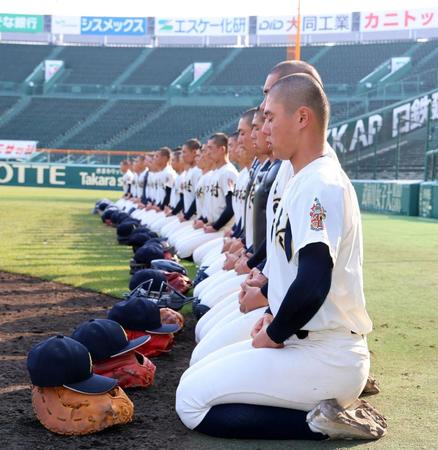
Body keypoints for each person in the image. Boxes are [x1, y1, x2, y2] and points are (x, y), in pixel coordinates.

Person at [176, 73, 374, 440]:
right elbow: (292, 268)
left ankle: (326, 424)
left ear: (301, 118)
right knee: (196, 372)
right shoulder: (301, 176)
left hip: (326, 353)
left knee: (190, 401)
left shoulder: (319, 181)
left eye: (270, 116)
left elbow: (315, 278)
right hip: (307, 341)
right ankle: (318, 408)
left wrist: (276, 330)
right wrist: (271, 314)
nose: (262, 128)